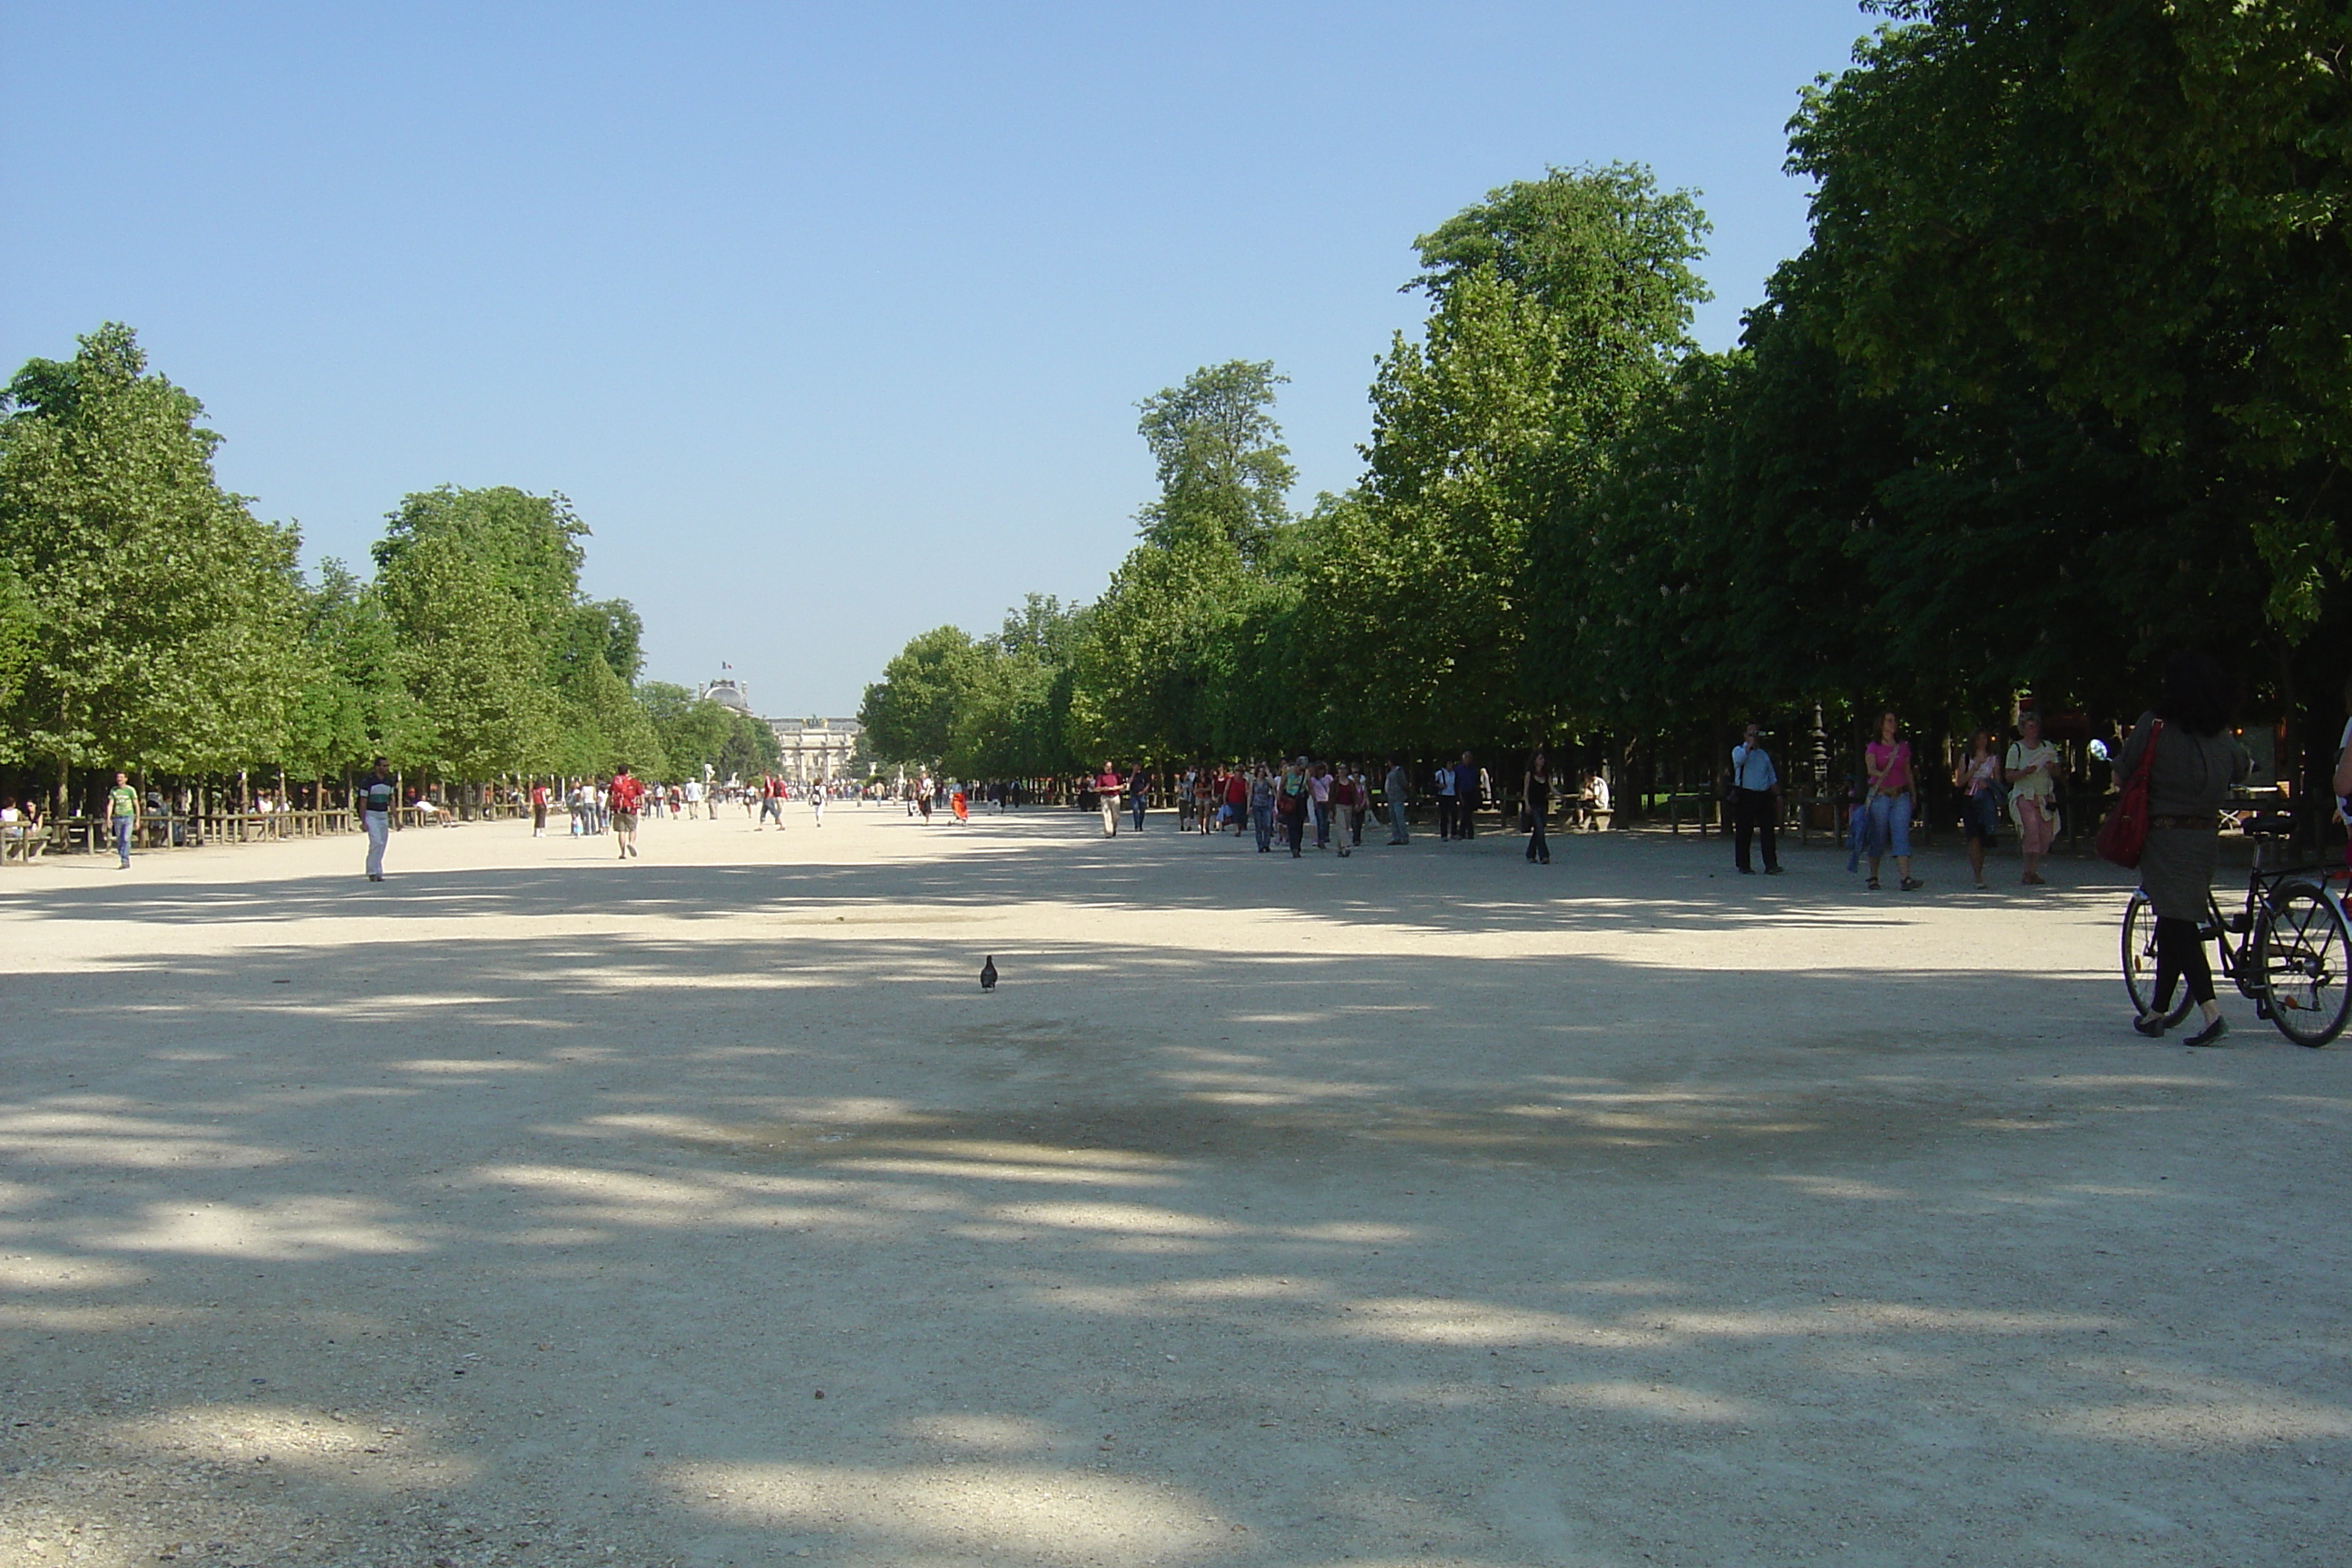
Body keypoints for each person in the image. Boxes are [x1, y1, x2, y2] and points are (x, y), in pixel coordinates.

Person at [2122, 652, 2249, 1046]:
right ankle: (2157, 1011)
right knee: (2174, 916)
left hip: (2164, 835)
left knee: (2178, 922)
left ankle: (2211, 1013)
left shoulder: (2155, 724)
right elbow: (2242, 767)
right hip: (2204, 837)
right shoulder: (2219, 732)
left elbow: (2127, 768)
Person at [2005, 711, 2065, 885]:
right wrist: (2024, 772)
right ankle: (2027, 871)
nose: (2034, 730)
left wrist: (2051, 767)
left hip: (2044, 795)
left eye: (2036, 726)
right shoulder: (2016, 749)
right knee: (2030, 830)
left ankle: (2034, 869)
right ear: (2023, 729)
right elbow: (2009, 775)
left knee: (2045, 833)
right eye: (2030, 726)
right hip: (2025, 794)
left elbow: (2057, 772)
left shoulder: (2047, 747)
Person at [1864, 712, 1921, 891]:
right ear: (1880, 724)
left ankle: (1905, 878)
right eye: (1889, 720)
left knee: (1901, 834)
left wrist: (1913, 793)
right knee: (1878, 836)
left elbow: (1908, 772)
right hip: (1881, 795)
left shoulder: (1902, 747)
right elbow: (1870, 769)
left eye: (1894, 720)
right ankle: (1873, 876)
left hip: (1900, 795)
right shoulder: (1874, 747)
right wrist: (1881, 774)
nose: (1893, 723)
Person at [1730, 724, 1783, 875]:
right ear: (1745, 735)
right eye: (1750, 733)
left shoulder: (1763, 755)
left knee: (1767, 830)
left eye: (1756, 734)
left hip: (1763, 795)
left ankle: (1771, 864)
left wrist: (1778, 795)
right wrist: (1749, 745)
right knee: (1744, 830)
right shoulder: (1739, 750)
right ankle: (1743, 864)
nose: (1754, 736)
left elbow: (1771, 776)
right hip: (1746, 794)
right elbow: (1739, 761)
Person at [1954, 729, 2003, 889]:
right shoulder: (1966, 758)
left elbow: (1998, 783)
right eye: (1979, 738)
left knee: (1983, 837)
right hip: (1969, 799)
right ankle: (1977, 875)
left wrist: (1987, 783)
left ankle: (1981, 868)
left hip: (1986, 800)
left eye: (1985, 738)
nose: (1982, 741)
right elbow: (1959, 781)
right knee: (1973, 836)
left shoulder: (1993, 759)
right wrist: (1974, 769)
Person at [359, 757, 395, 881]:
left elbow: (391, 800)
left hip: (383, 814)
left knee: (383, 844)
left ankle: (378, 870)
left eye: (387, 766)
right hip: (371, 814)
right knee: (376, 842)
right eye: (383, 766)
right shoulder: (368, 782)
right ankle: (371, 871)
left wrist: (396, 819)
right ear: (377, 767)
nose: (386, 768)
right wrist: (363, 821)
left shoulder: (389, 782)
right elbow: (363, 802)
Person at [609, 764, 644, 859]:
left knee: (621, 831)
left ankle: (623, 852)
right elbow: (641, 794)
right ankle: (631, 843)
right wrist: (642, 806)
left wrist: (607, 807)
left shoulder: (615, 782)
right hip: (631, 808)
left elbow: (610, 795)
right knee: (632, 828)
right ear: (628, 771)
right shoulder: (634, 781)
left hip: (618, 809)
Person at [1523, 752, 1553, 864]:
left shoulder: (1546, 774)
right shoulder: (1529, 774)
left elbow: (1551, 788)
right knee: (1539, 829)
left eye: (1543, 758)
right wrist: (1527, 804)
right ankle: (1544, 855)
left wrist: (1561, 795)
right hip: (1533, 805)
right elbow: (1525, 791)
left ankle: (1530, 854)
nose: (1542, 760)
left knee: (1539, 830)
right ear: (1535, 760)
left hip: (1543, 805)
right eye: (1540, 758)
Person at [1278, 757, 1310, 858]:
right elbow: (1282, 786)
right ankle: (1294, 848)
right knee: (1292, 824)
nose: (1301, 771)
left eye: (1303, 769)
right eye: (1300, 769)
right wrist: (1279, 800)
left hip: (1300, 799)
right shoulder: (1288, 771)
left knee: (1300, 823)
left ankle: (1298, 846)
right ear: (1297, 765)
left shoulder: (1306, 773)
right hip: (1289, 799)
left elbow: (1310, 786)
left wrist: (1315, 799)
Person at [105, 770, 138, 870]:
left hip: (128, 816)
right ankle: (122, 856)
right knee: (119, 840)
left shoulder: (130, 790)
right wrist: (108, 818)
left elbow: (136, 805)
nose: (119, 779)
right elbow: (110, 805)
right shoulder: (114, 791)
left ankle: (125, 861)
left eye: (121, 777)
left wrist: (137, 819)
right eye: (118, 777)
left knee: (126, 839)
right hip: (118, 817)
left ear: (126, 779)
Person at [1384, 756, 1412, 845]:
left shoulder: (1399, 770)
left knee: (1399, 817)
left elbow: (1403, 783)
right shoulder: (1391, 771)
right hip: (1391, 797)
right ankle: (1396, 837)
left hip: (1398, 797)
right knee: (1393, 818)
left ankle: (1404, 837)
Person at [1452, 752, 1480, 839]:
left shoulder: (1474, 769)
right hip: (1462, 793)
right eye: (1466, 758)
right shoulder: (1458, 769)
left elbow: (1476, 782)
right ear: (1463, 759)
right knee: (1465, 812)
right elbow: (1456, 782)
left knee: (1468, 813)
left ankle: (1462, 832)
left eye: (1470, 758)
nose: (1468, 759)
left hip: (1471, 792)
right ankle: (1468, 832)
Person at [1250, 763, 1275, 852]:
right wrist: (1248, 807)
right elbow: (1250, 794)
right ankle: (1260, 845)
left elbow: (1274, 785)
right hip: (1256, 805)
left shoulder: (1267, 781)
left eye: (1263, 772)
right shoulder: (1254, 782)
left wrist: (1268, 772)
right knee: (1258, 827)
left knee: (1267, 825)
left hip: (1266, 805)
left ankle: (1266, 844)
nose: (1261, 773)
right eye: (1260, 771)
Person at [1094, 762, 1123, 837]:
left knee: (1116, 816)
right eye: (1107, 766)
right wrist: (1103, 788)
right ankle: (1108, 832)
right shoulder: (1100, 777)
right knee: (1106, 815)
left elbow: (1122, 785)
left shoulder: (1117, 775)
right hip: (1105, 797)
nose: (1109, 768)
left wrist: (1116, 787)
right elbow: (1096, 789)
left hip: (1115, 796)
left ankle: (1113, 828)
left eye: (1110, 767)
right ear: (1104, 767)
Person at [1434, 758, 1458, 840]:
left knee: (1454, 814)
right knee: (1444, 815)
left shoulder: (1454, 773)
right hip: (1443, 795)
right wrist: (1439, 786)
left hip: (1452, 795)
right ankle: (1444, 834)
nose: (1451, 765)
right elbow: (1433, 782)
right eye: (1449, 763)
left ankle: (1454, 833)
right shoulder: (1440, 773)